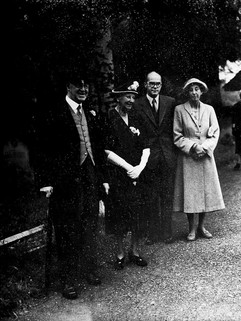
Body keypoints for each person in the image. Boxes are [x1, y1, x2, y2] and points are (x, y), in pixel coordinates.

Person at [37, 73, 108, 300]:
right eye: (79, 85)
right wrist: (46, 181)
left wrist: (102, 177)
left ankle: (89, 269)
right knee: (67, 227)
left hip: (89, 174)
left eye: (86, 85)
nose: (84, 89)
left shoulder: (89, 112)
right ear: (68, 86)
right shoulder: (54, 113)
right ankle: (67, 279)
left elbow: (96, 146)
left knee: (89, 221)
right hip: (66, 179)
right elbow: (43, 148)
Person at [104, 81, 150, 270]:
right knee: (120, 214)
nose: (131, 100)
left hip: (138, 174)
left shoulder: (137, 116)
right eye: (127, 96)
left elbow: (147, 145)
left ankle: (135, 251)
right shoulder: (109, 117)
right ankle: (120, 253)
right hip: (118, 175)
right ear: (118, 97)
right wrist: (127, 167)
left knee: (139, 213)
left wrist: (139, 168)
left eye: (133, 96)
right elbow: (106, 150)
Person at [173, 78, 225, 241]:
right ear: (187, 93)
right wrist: (193, 147)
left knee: (205, 191)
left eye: (197, 89)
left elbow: (215, 132)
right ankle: (191, 228)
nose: (194, 92)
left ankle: (202, 226)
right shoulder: (179, 110)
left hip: (205, 155)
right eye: (191, 89)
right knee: (190, 192)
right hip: (189, 156)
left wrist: (205, 147)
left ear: (201, 92)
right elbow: (177, 136)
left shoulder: (209, 109)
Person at [133, 71, 177, 244]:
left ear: (161, 85)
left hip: (167, 155)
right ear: (145, 84)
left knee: (167, 196)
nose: (155, 87)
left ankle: (167, 232)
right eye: (152, 84)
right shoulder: (137, 105)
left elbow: (175, 128)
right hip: (148, 157)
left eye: (158, 84)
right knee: (150, 197)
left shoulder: (170, 102)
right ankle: (152, 233)